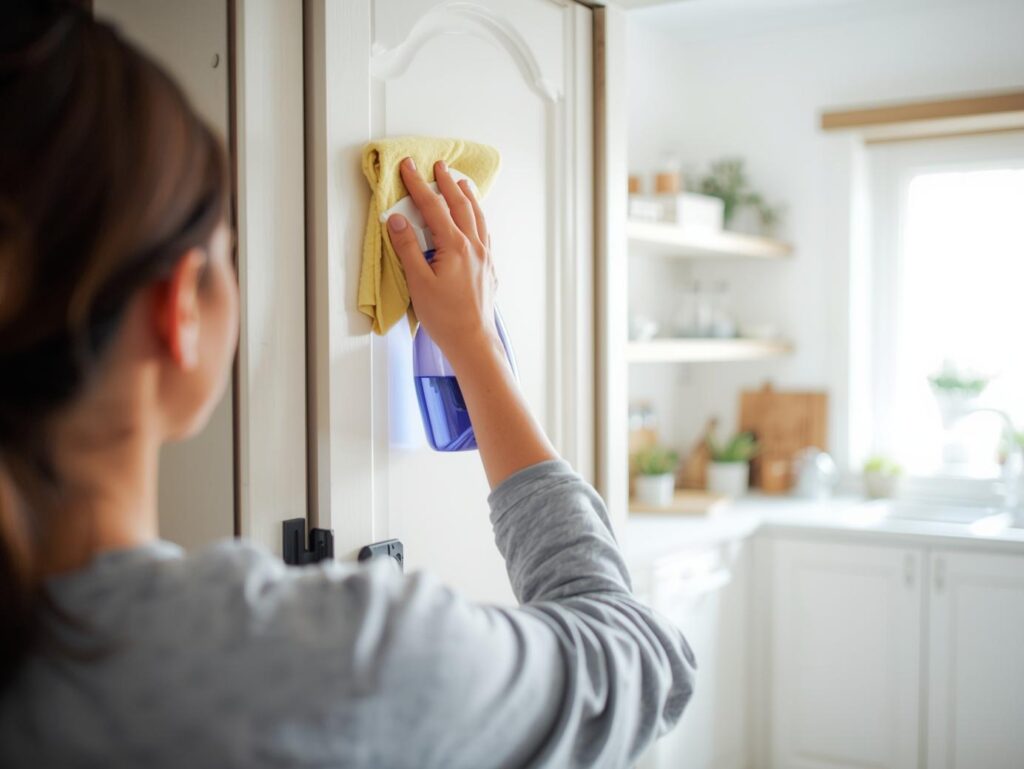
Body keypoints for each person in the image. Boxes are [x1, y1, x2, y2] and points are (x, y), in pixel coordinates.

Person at [0, 4, 695, 767]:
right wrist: (475, 347)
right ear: (180, 308)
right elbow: (642, 661)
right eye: (228, 250)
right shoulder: (331, 660)